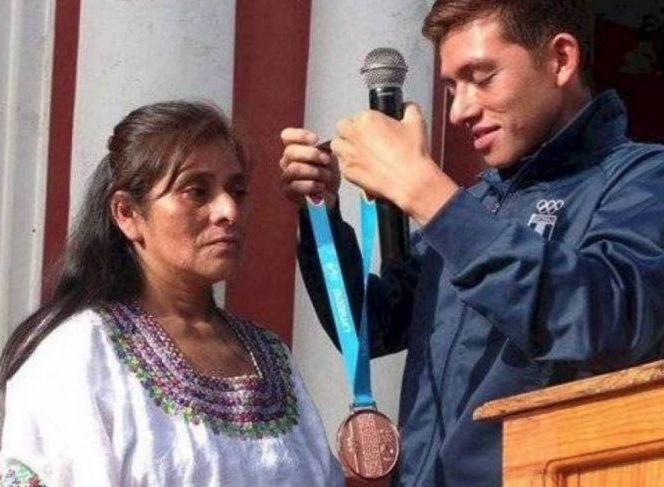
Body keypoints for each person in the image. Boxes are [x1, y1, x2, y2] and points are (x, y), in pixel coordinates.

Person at [279, 1, 664, 485]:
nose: (460, 109)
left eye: (481, 77)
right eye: (450, 87)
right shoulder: (475, 203)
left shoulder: (642, 179)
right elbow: (374, 327)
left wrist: (426, 193)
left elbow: (605, 322)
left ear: (560, 60)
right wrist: (323, 214)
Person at [0, 101, 344, 486]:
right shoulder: (79, 353)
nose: (228, 209)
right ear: (127, 213)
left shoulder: (270, 357)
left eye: (238, 190)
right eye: (197, 191)